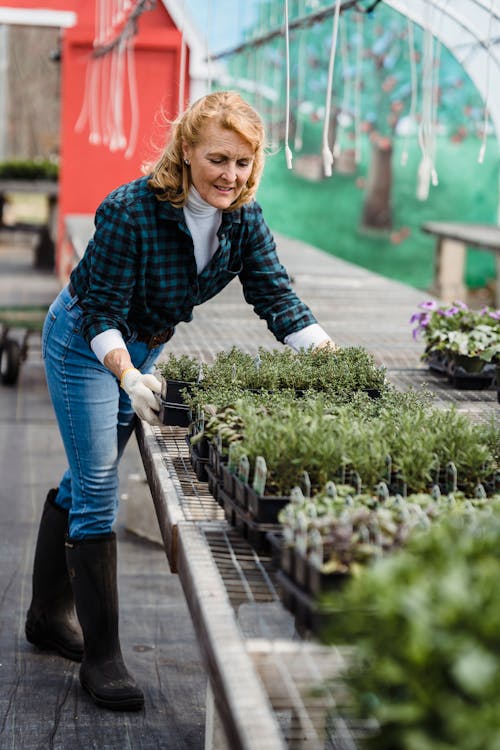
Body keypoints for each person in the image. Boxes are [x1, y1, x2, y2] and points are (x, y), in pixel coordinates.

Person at [25, 90, 335, 711]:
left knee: (89, 472)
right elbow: (102, 309)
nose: (231, 175)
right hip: (87, 342)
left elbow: (277, 298)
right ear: (186, 151)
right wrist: (126, 374)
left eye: (244, 163)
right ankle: (103, 656)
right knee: (99, 487)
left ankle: (44, 616)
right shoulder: (131, 212)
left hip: (144, 348)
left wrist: (332, 356)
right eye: (219, 158)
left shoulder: (243, 220)